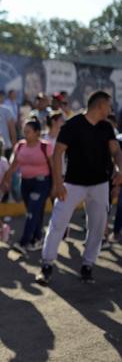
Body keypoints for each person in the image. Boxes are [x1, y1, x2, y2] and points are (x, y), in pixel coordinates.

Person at [36, 91, 122, 285]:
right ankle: (47, 265)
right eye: (108, 105)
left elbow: (116, 151)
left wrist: (119, 168)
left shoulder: (106, 127)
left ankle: (87, 265)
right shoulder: (73, 125)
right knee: (58, 223)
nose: (110, 109)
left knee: (98, 227)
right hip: (72, 184)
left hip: (100, 184)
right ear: (100, 106)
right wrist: (58, 184)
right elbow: (58, 153)